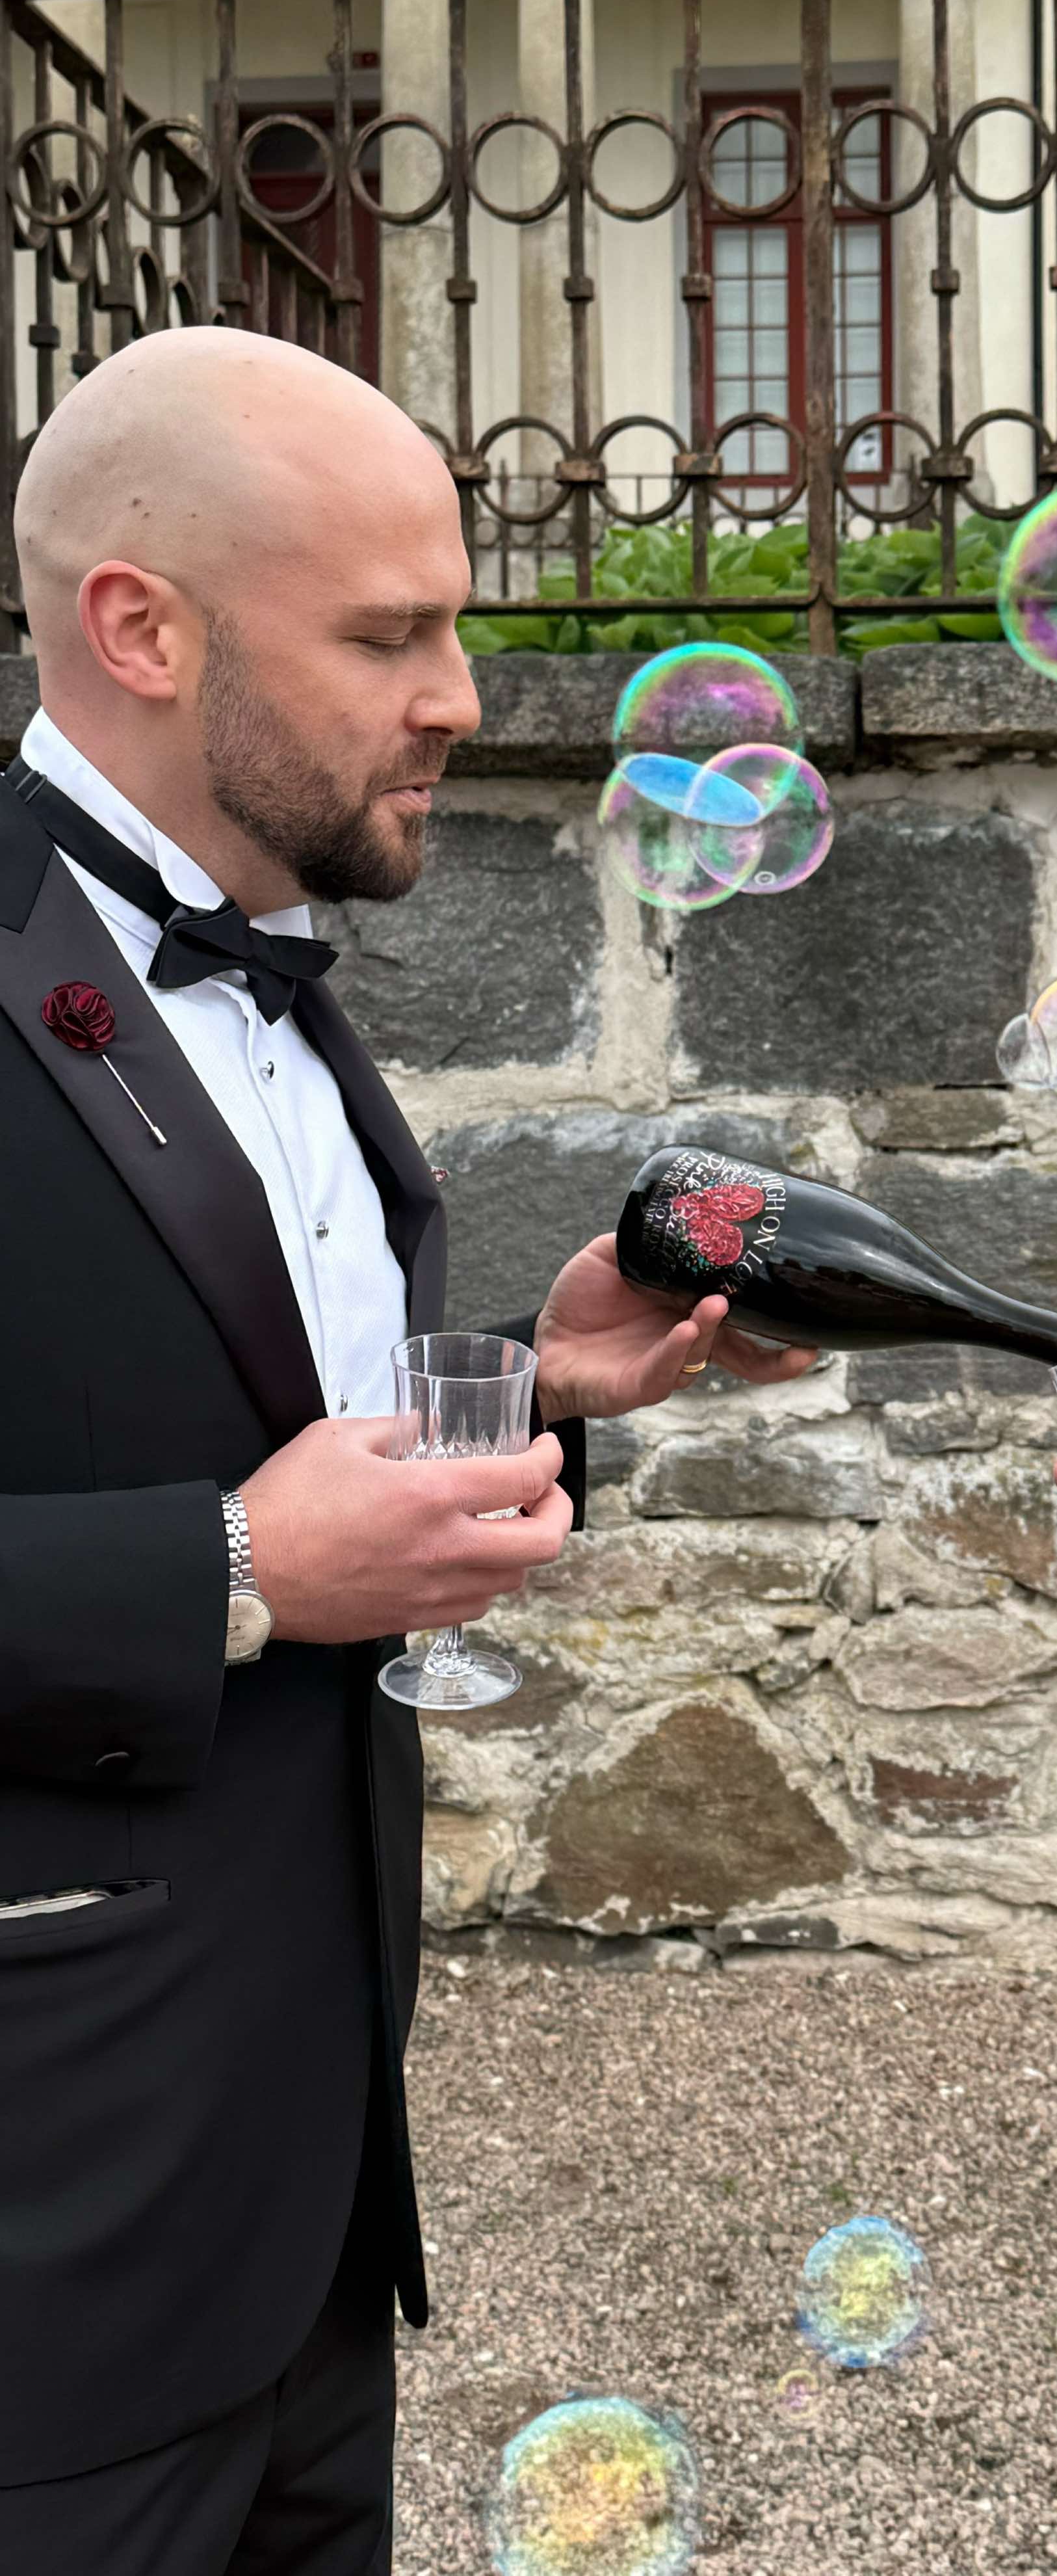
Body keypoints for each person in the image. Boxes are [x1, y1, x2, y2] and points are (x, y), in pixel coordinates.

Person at [0, 327, 814, 2573]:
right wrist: (230, 1573)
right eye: (388, 638)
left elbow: (241, 1426)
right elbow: (246, 1532)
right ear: (140, 629)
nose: (461, 696)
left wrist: (533, 1392)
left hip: (303, 2215)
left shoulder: (284, 976)